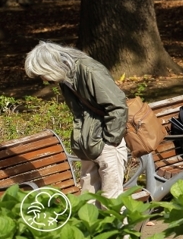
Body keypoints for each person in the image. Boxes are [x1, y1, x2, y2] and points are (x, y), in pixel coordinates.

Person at [24, 42, 128, 199]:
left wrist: (109, 141)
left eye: (42, 75)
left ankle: (119, 225)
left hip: (105, 144)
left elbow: (117, 106)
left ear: (50, 66)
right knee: (88, 200)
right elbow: (80, 114)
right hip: (87, 146)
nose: (44, 80)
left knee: (111, 200)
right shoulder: (64, 76)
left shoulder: (89, 70)